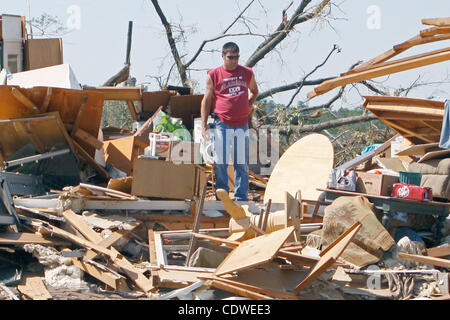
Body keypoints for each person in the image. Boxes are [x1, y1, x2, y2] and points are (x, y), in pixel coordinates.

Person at [201, 42, 259, 201]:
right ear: (223, 56)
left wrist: (249, 105)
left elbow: (254, 91)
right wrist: (204, 125)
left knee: (241, 162)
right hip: (222, 122)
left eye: (237, 57)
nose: (234, 60)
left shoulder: (247, 73)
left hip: (241, 123)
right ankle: (223, 194)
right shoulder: (213, 75)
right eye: (231, 57)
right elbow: (206, 100)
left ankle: (241, 197)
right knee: (220, 161)